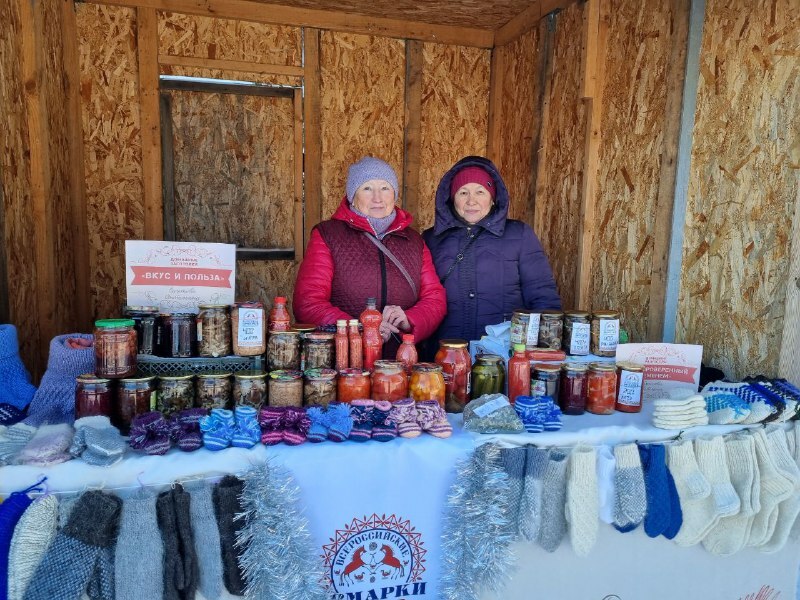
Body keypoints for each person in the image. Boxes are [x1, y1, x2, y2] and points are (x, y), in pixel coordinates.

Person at [293, 156, 447, 358]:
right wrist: (360, 328)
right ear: (352, 196)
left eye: (385, 188)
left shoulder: (414, 241)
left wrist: (409, 320)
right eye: (367, 188)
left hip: (401, 364)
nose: (377, 198)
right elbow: (308, 302)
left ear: (394, 194)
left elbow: (435, 298)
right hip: (346, 363)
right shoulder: (328, 235)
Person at [423, 155, 562, 347]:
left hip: (503, 352)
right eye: (463, 193)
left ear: (493, 197)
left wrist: (543, 349)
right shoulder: (431, 239)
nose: (471, 201)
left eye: (480, 191)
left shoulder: (519, 234)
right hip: (446, 352)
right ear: (452, 198)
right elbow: (421, 299)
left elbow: (542, 295)